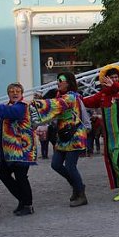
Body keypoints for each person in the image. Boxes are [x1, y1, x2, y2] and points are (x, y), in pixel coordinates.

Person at [82, 65, 119, 202]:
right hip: (110, 135)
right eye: (111, 77)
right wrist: (74, 97)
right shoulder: (103, 95)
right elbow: (87, 102)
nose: (114, 80)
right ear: (105, 79)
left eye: (116, 77)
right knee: (112, 161)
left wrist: (115, 85)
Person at [31, 72, 89, 207]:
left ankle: (81, 195)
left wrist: (34, 104)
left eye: (61, 80)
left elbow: (54, 105)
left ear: (69, 82)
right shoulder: (60, 96)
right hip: (63, 136)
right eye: (57, 79)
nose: (58, 82)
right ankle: (77, 185)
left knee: (70, 166)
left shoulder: (71, 97)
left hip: (75, 135)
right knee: (56, 164)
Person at [0, 82, 37, 216]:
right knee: (3, 174)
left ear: (22, 93)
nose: (15, 93)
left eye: (17, 91)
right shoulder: (8, 106)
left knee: (21, 177)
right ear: (8, 94)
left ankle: (27, 204)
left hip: (22, 150)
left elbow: (12, 113)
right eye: (11, 91)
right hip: (8, 152)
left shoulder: (22, 106)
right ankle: (22, 200)